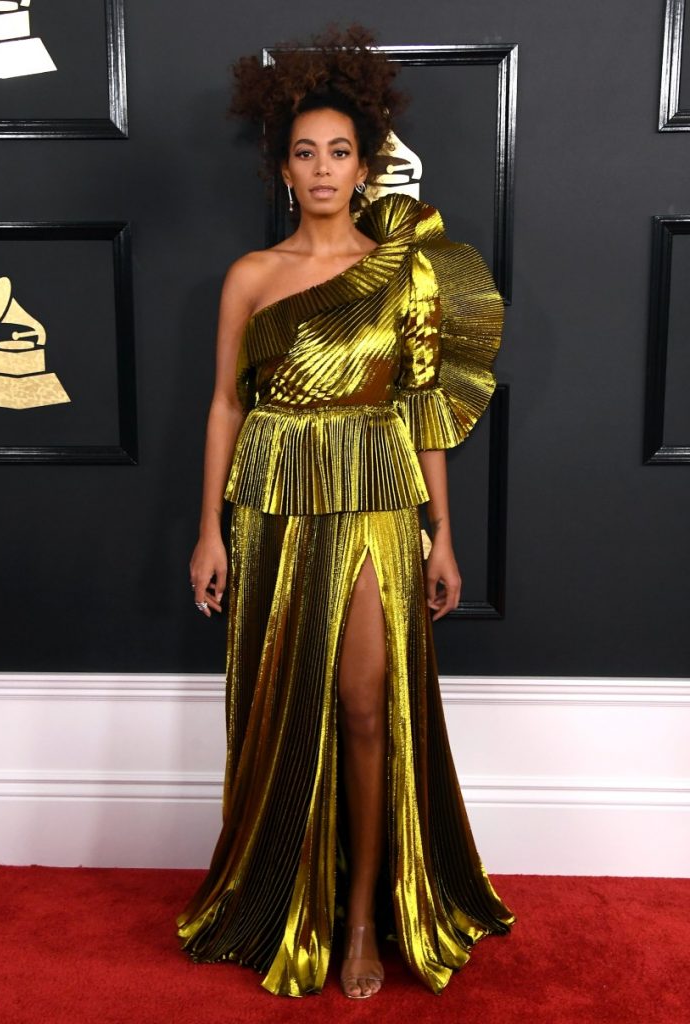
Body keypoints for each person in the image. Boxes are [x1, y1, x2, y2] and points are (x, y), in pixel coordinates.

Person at [177, 25, 515, 1000]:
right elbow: (224, 406)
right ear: (280, 168)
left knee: (367, 705)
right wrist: (208, 529)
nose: (321, 168)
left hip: (374, 492)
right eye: (303, 152)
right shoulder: (250, 276)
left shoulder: (404, 271)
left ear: (364, 168)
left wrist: (441, 532)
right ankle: (288, 895)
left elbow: (422, 411)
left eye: (339, 152)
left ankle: (362, 911)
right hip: (272, 495)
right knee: (283, 706)